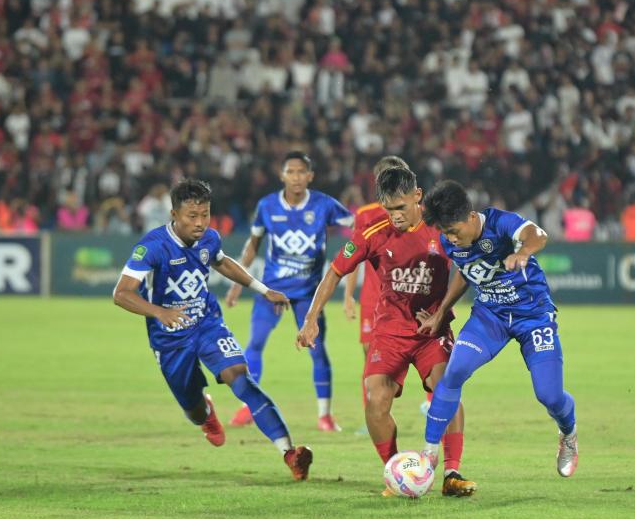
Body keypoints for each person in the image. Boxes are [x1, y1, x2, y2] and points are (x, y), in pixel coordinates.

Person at [112, 178, 312, 480]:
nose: (200, 222)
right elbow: (122, 293)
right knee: (193, 409)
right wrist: (159, 312)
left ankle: (290, 452)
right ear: (174, 215)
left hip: (207, 324)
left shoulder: (210, 238)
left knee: (241, 380)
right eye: (192, 216)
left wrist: (263, 289)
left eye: (205, 214)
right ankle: (205, 414)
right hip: (170, 340)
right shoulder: (151, 247)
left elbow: (221, 262)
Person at [297, 167, 477, 497]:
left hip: (432, 332)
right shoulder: (372, 233)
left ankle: (452, 472)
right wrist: (311, 318)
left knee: (445, 388)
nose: (394, 216)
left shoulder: (441, 229)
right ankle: (397, 472)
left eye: (401, 207)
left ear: (417, 197)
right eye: (388, 208)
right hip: (390, 332)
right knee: (376, 401)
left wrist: (440, 313)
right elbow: (335, 272)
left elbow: (466, 271)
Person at [416, 180, 578, 481]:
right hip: (490, 315)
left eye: (453, 230)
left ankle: (568, 434)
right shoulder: (452, 240)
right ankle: (428, 455)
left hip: (533, 316)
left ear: (469, 215)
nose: (450, 238)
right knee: (453, 373)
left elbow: (537, 234)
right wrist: (440, 313)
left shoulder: (501, 223)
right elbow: (465, 274)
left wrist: (523, 252)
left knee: (549, 395)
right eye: (445, 233)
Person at [224, 151, 353, 431]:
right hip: (272, 291)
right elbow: (253, 245)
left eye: (301, 172)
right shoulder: (267, 206)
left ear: (310, 176)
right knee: (254, 345)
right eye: (290, 172)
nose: (296, 177)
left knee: (317, 351)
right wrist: (237, 284)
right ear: (282, 175)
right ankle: (249, 407)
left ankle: (325, 415)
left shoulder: (324, 205)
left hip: (309, 293)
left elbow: (357, 225)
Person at [341, 156, 432, 432]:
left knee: (428, 351)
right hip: (374, 298)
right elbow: (353, 256)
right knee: (371, 359)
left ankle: (432, 403)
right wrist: (348, 295)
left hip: (412, 295)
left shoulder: (421, 213)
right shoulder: (367, 214)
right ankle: (372, 416)